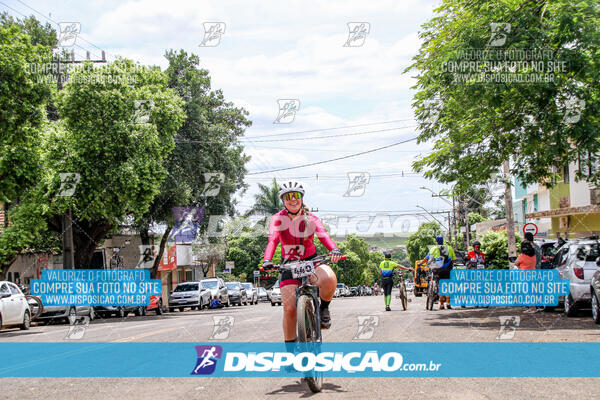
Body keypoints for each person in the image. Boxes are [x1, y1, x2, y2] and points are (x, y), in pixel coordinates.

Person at [262, 180, 342, 346]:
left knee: (329, 278)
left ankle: (324, 307)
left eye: (296, 195)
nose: (293, 199)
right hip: (288, 265)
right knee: (290, 309)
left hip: (311, 261)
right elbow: (272, 240)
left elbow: (323, 234)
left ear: (301, 198)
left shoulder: (311, 217)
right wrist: (267, 260)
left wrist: (334, 249)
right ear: (283, 200)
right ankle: (290, 353)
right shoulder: (277, 219)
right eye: (288, 197)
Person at [419, 235, 456, 310]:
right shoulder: (449, 248)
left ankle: (441, 304)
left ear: (436, 241)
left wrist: (420, 263)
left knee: (440, 286)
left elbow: (426, 258)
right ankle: (448, 303)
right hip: (447, 269)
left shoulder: (433, 248)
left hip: (437, 269)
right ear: (443, 240)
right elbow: (454, 260)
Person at [515, 240, 538, 313]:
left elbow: (516, 263)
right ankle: (532, 307)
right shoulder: (534, 255)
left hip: (524, 276)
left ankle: (532, 308)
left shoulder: (522, 256)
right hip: (533, 275)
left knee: (527, 292)